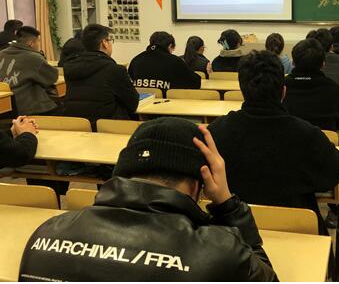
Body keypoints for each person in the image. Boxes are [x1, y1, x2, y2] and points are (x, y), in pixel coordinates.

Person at [19, 118, 277, 281]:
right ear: (199, 185)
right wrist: (227, 204)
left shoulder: (46, 233)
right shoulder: (221, 252)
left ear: (122, 172)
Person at [208, 50, 339, 234]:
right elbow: (334, 173)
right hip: (296, 230)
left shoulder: (215, 132)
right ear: (284, 91)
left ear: (242, 90)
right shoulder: (307, 135)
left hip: (231, 231)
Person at [283, 39, 339, 227]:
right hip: (321, 165)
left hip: (284, 162)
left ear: (293, 62)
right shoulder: (333, 89)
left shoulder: (281, 87)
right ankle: (336, 212)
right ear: (323, 64)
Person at [63, 24, 139, 129]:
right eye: (110, 40)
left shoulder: (70, 67)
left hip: (76, 127)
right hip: (106, 127)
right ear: (104, 43)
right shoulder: (115, 70)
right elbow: (133, 104)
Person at [0, 26, 58, 115]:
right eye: (38, 41)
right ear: (31, 43)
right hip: (28, 108)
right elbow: (52, 78)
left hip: (5, 106)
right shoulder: (34, 58)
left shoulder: (1, 54)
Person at [128, 31, 201, 97]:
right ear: (170, 46)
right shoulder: (175, 61)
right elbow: (196, 83)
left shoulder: (136, 60)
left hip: (141, 104)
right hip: (167, 104)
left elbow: (131, 78)